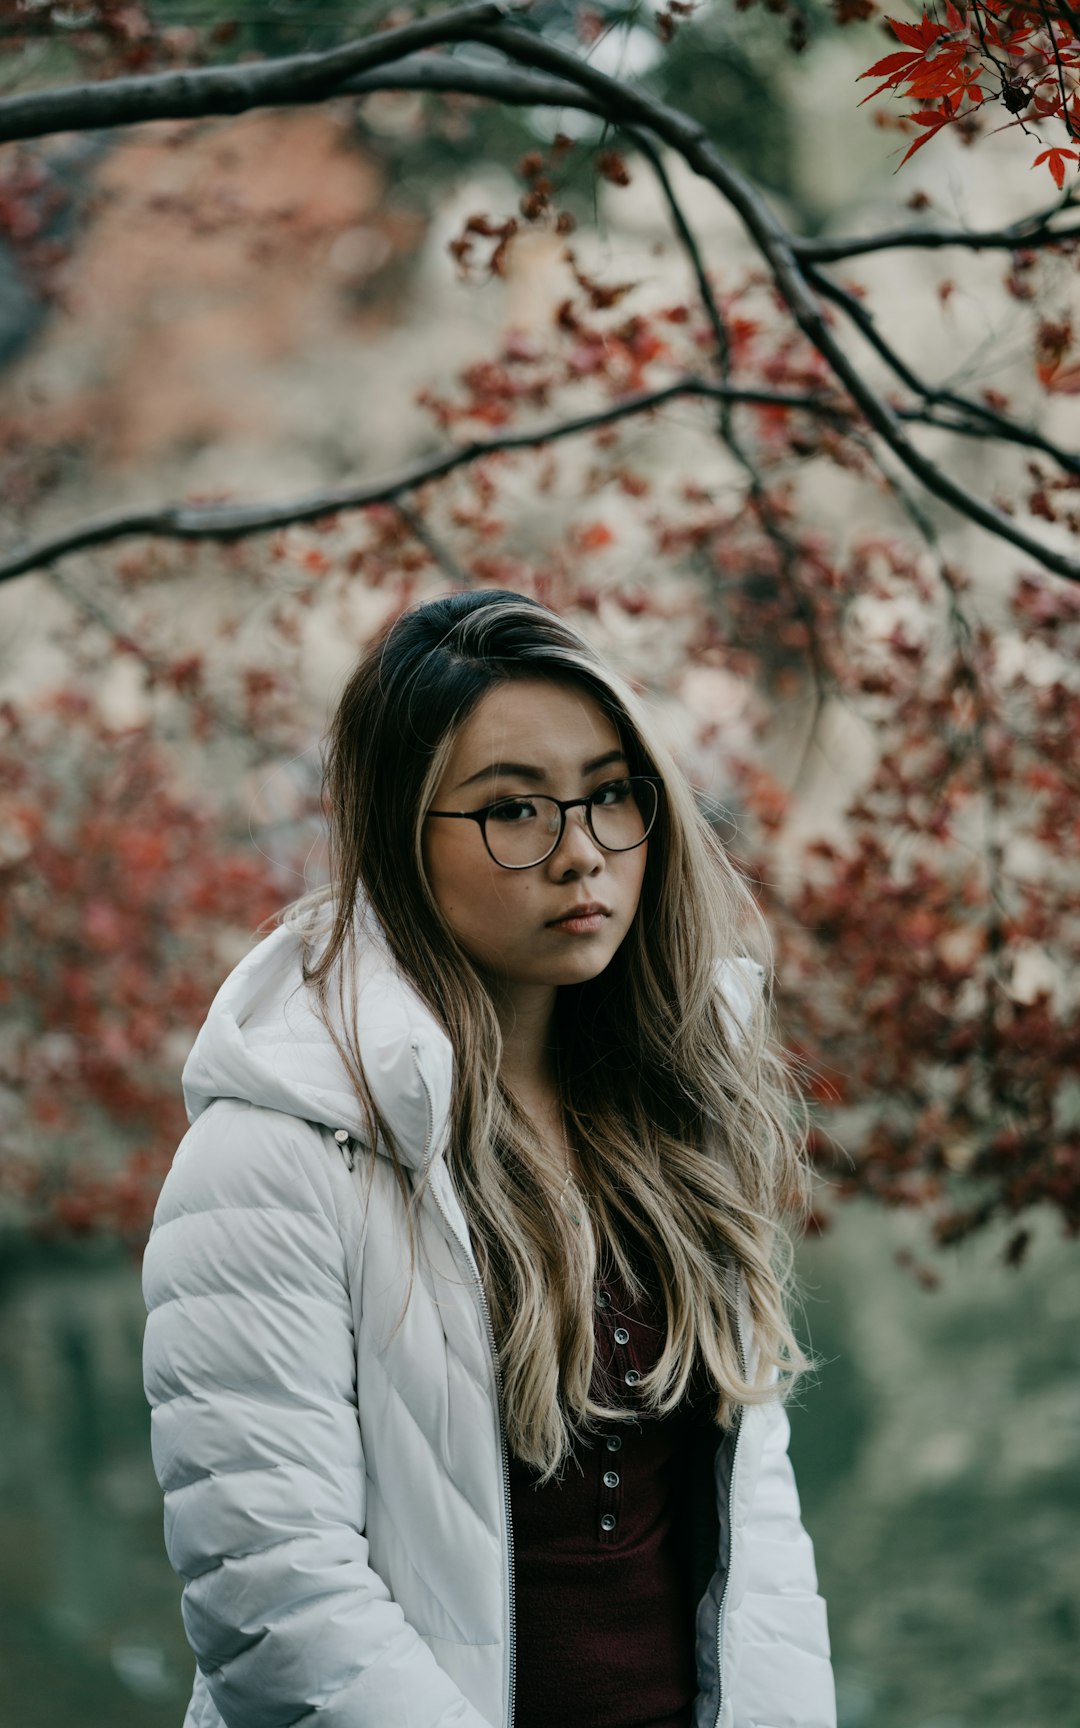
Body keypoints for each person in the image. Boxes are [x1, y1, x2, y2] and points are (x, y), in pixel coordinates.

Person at [143, 588, 836, 1728]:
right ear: (400, 839)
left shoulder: (678, 1112)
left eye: (612, 795)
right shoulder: (277, 1151)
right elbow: (276, 1596)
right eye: (513, 811)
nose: (582, 855)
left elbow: (762, 1542)